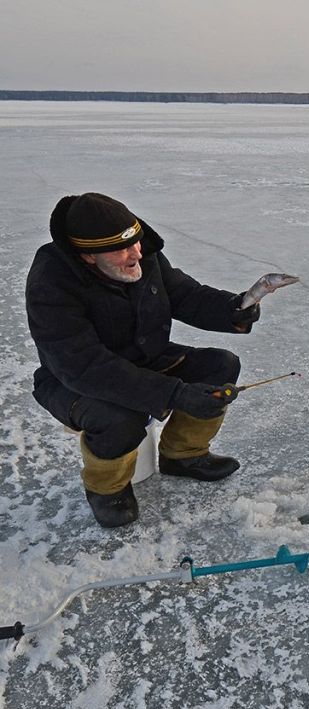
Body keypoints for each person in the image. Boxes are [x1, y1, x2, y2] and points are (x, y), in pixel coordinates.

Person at [26, 193, 262, 528]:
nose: (136, 253)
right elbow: (84, 366)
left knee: (220, 365)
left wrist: (234, 308)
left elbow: (184, 294)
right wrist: (173, 393)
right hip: (72, 381)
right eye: (122, 249)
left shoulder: (142, 256)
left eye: (136, 242)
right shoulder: (51, 283)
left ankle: (183, 455)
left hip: (145, 358)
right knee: (120, 418)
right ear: (88, 256)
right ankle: (107, 490)